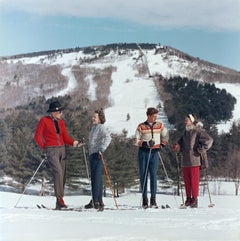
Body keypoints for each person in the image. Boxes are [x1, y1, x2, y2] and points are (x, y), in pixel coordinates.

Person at [34, 100, 83, 209]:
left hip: (62, 150)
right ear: (54, 112)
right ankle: (60, 198)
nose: (62, 114)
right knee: (58, 172)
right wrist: (45, 148)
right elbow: (37, 137)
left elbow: (65, 137)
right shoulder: (44, 121)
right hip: (51, 150)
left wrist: (75, 143)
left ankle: (58, 202)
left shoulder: (61, 122)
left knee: (63, 175)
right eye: (60, 112)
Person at [172, 114, 213, 208]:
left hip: (195, 159)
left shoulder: (198, 131)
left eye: (187, 120)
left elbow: (209, 140)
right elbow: (180, 144)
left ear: (192, 121)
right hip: (185, 160)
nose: (185, 121)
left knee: (194, 180)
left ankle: (194, 199)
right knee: (187, 181)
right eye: (185, 120)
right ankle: (188, 199)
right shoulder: (185, 132)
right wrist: (177, 147)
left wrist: (200, 149)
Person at [134, 107, 169, 208]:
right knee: (143, 175)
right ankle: (145, 199)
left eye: (156, 116)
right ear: (148, 116)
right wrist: (144, 143)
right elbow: (135, 140)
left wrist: (162, 144)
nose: (155, 118)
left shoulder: (160, 125)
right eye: (153, 116)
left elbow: (166, 135)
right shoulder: (141, 126)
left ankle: (153, 199)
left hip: (154, 152)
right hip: (143, 153)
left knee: (153, 175)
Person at [84, 108, 111, 210]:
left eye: (94, 117)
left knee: (96, 177)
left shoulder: (101, 127)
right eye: (93, 116)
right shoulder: (94, 128)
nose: (92, 118)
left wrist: (102, 148)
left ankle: (95, 201)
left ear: (100, 118)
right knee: (96, 177)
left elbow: (108, 138)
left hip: (98, 154)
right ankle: (98, 200)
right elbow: (93, 141)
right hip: (92, 154)